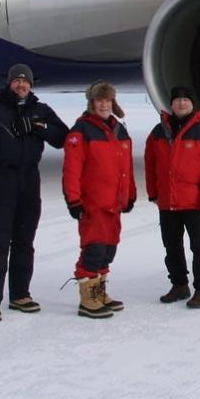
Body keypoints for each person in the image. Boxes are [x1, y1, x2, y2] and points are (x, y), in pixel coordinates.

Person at [0, 63, 68, 322]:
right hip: (1, 179)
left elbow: (63, 137)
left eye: (25, 82)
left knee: (25, 240)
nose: (21, 85)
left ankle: (20, 294)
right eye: (16, 81)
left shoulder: (40, 110)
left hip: (29, 179)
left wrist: (39, 128)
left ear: (31, 85)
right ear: (9, 83)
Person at [62, 81, 136, 318]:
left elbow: (126, 168)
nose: (104, 104)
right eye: (100, 100)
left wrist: (130, 194)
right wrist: (74, 200)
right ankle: (88, 299)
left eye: (108, 100)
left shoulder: (119, 130)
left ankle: (100, 292)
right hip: (93, 204)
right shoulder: (81, 131)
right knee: (93, 250)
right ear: (92, 103)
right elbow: (72, 169)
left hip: (114, 204)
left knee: (108, 250)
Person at [144, 86, 200, 309]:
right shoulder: (158, 132)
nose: (181, 103)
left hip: (195, 201)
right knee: (172, 246)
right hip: (167, 201)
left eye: (185, 100)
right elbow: (150, 164)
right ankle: (179, 285)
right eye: (177, 100)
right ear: (171, 104)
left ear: (192, 103)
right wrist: (153, 194)